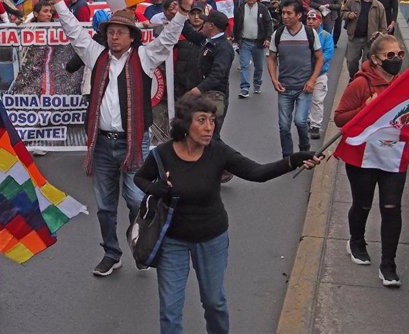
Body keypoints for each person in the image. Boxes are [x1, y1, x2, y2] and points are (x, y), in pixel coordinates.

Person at [134, 94, 320, 334]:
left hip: (212, 238)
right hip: (172, 241)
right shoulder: (162, 154)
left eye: (212, 121)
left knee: (214, 303)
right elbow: (140, 177)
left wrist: (293, 160)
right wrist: (155, 188)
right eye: (201, 120)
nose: (209, 127)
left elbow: (257, 172)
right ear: (184, 123)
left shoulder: (218, 152)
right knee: (170, 311)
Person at [50, 0, 193, 277]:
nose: (114, 36)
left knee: (135, 198)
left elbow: (167, 40)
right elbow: (74, 31)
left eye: (121, 32)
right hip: (102, 143)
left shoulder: (144, 57)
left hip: (134, 141)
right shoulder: (95, 55)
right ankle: (111, 253)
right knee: (104, 205)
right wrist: (57, 0)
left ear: (132, 37)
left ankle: (142, 243)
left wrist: (182, 12)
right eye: (111, 32)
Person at [334, 33, 408, 287]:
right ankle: (356, 241)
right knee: (363, 204)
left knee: (391, 208)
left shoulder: (407, 84)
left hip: (394, 156)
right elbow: (340, 119)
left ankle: (388, 264)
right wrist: (365, 108)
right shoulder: (360, 84)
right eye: (390, 55)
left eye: (400, 54)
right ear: (375, 59)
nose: (396, 59)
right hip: (363, 156)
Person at [267, 0, 324, 157]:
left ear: (299, 15)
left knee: (300, 121)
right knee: (284, 126)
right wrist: (273, 79)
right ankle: (287, 157)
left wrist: (312, 80)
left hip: (304, 88)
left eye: (289, 13)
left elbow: (320, 58)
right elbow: (271, 58)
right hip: (284, 88)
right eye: (283, 13)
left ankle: (304, 149)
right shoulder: (277, 34)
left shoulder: (310, 33)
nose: (285, 16)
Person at [181, 10, 235, 143]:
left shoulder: (223, 48)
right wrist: (179, 15)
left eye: (205, 22)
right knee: (200, 134)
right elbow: (191, 34)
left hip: (214, 97)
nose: (202, 25)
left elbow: (218, 74)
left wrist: (198, 89)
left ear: (211, 26)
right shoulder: (208, 40)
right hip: (203, 95)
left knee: (210, 134)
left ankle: (224, 162)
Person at [341, 0, 387, 79]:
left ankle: (363, 80)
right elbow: (343, 11)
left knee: (367, 63)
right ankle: (353, 77)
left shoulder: (379, 6)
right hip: (354, 38)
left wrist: (379, 37)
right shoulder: (353, 1)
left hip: (370, 40)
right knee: (351, 61)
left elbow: (383, 28)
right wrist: (348, 14)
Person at [233, 0, 272, 98]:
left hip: (259, 43)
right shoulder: (241, 9)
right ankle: (244, 88)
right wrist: (236, 40)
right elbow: (236, 25)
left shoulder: (262, 8)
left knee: (259, 66)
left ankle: (257, 84)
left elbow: (268, 23)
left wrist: (267, 38)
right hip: (244, 42)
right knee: (244, 65)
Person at [305, 10, 334, 140]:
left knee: (317, 99)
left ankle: (315, 125)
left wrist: (316, 58)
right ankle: (306, 119)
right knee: (304, 98)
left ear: (320, 21)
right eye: (309, 19)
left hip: (320, 73)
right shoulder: (301, 34)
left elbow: (328, 53)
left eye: (314, 19)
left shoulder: (326, 36)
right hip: (304, 72)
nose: (311, 22)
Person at [174, 1, 205, 99]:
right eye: (193, 14)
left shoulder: (209, 34)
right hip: (181, 84)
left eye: (199, 14)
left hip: (201, 85)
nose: (196, 17)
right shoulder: (178, 30)